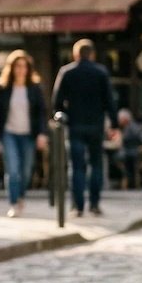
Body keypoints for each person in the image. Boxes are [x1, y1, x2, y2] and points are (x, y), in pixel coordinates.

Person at [51, 39, 119, 218]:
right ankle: (95, 204)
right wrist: (114, 125)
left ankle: (78, 206)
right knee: (96, 165)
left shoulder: (67, 72)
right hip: (96, 126)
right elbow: (110, 102)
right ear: (92, 54)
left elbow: (56, 103)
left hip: (74, 126)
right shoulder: (101, 73)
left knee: (76, 167)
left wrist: (64, 114)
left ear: (75, 55)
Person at [0, 50, 49, 218]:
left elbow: (42, 112)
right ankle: (13, 203)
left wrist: (42, 133)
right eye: (17, 66)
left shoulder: (35, 87)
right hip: (8, 133)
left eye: (24, 66)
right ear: (11, 68)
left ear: (28, 68)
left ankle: (20, 197)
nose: (21, 70)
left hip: (28, 135)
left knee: (26, 171)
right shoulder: (3, 87)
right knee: (13, 170)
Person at [116, 109, 142, 187]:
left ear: (125, 119)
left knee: (117, 157)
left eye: (120, 119)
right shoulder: (131, 126)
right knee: (118, 157)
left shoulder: (132, 127)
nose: (119, 121)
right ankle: (127, 177)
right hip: (134, 151)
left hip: (134, 152)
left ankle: (127, 178)